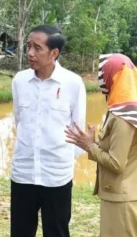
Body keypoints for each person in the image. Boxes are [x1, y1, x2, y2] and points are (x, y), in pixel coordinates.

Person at [11, 25, 87, 237]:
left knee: (57, 231)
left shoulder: (73, 83)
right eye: (28, 46)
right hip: (23, 173)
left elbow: (77, 130)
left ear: (54, 53)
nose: (30, 53)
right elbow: (20, 120)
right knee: (20, 231)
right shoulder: (19, 81)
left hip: (57, 175)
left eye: (37, 48)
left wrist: (60, 160)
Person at [65, 53, 137, 237]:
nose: (100, 80)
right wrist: (94, 143)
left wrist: (90, 146)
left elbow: (117, 163)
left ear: (112, 76)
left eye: (102, 74)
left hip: (122, 199)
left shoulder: (123, 116)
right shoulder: (124, 109)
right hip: (123, 194)